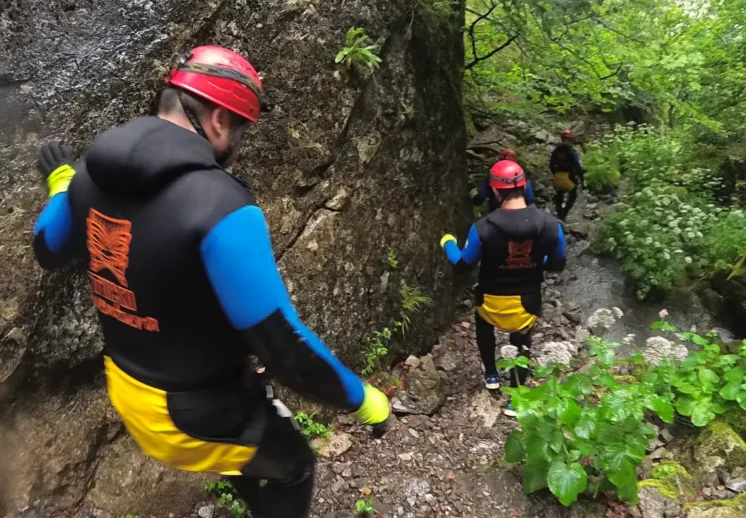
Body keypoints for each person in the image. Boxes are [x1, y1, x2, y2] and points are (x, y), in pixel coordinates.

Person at [31, 46, 389, 518]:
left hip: (126, 386)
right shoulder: (222, 208)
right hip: (189, 414)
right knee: (294, 463)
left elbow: (47, 248)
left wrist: (61, 184)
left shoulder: (85, 178)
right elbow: (285, 349)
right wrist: (363, 400)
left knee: (247, 448)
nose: (236, 143)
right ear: (219, 119)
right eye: (240, 129)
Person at [440, 160, 567, 416]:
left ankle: (491, 375)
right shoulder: (552, 226)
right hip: (526, 305)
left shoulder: (483, 228)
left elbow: (463, 265)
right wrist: (535, 261)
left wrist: (448, 243)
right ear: (525, 186)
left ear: (496, 191)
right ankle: (516, 398)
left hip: (490, 302)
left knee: (483, 323)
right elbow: (557, 264)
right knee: (523, 340)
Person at [550, 130, 585, 221]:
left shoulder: (556, 151)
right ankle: (565, 212)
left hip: (558, 177)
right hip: (568, 177)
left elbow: (551, 165)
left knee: (559, 193)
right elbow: (577, 166)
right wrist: (582, 179)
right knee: (573, 194)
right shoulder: (571, 152)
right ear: (570, 139)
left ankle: (559, 213)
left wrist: (556, 173)